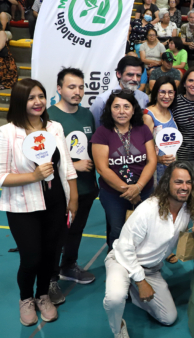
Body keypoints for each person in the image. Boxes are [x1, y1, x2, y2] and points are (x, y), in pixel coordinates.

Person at [103, 161, 194, 338]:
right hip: (122, 261)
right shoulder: (148, 209)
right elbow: (125, 248)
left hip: (151, 269)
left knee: (168, 318)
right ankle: (118, 327)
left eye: (188, 182)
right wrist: (141, 282)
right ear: (167, 184)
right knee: (114, 298)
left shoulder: (190, 203)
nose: (184, 187)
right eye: (178, 182)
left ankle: (131, 289)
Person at [0, 78, 78, 325]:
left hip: (55, 202)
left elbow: (66, 165)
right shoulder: (7, 132)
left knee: (50, 255)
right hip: (23, 205)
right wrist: (33, 176)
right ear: (19, 101)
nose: (38, 102)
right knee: (31, 257)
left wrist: (73, 197)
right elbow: (1, 176)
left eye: (41, 96)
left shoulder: (54, 128)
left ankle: (42, 295)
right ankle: (26, 298)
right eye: (31, 97)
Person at [47, 69, 98, 305]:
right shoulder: (48, 117)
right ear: (59, 89)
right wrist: (72, 166)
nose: (77, 92)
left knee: (76, 231)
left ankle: (68, 266)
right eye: (71, 87)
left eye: (80, 87)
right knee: (55, 236)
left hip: (86, 188)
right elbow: (41, 158)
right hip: (60, 192)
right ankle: (49, 279)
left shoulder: (87, 115)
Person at [91, 90, 157, 251]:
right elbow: (102, 168)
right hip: (114, 194)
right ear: (110, 109)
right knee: (118, 232)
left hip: (144, 191)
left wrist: (138, 187)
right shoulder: (102, 133)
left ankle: (141, 261)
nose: (121, 111)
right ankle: (116, 262)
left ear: (133, 110)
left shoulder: (143, 129)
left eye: (126, 106)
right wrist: (128, 191)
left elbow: (152, 160)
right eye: (116, 107)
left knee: (145, 231)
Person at [91, 56, 149, 129]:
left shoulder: (144, 98)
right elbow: (95, 127)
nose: (135, 79)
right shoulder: (102, 99)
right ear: (118, 74)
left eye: (138, 75)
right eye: (130, 75)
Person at [143, 75, 177, 188]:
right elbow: (143, 147)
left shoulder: (171, 111)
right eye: (162, 92)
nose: (166, 96)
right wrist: (158, 159)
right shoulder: (148, 116)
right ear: (156, 93)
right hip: (154, 170)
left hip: (171, 168)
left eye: (170, 92)